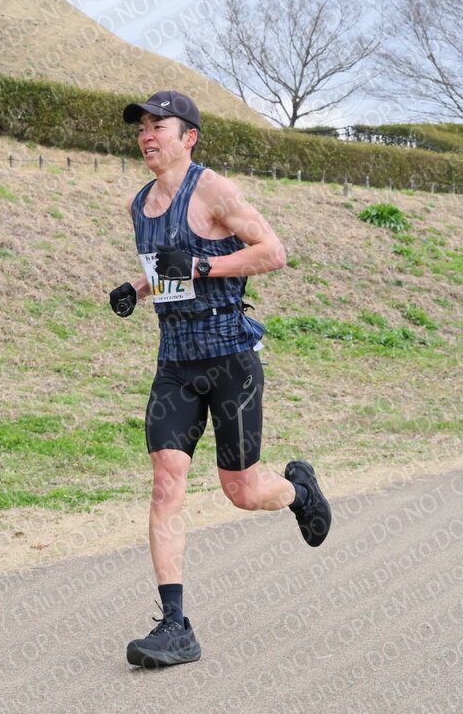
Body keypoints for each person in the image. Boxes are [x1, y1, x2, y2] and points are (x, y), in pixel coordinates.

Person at [109, 90, 331, 669]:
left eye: (158, 126)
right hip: (175, 363)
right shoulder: (139, 205)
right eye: (141, 127)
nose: (146, 135)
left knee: (243, 491)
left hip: (230, 359)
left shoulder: (215, 190)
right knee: (166, 482)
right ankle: (175, 626)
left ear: (189, 137)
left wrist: (205, 264)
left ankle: (300, 493)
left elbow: (272, 252)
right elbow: (170, 271)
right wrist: (136, 288)